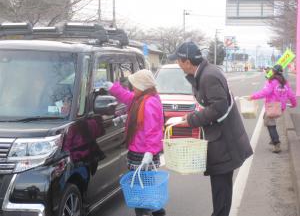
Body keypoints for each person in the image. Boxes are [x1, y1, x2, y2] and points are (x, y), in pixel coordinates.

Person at [168, 41, 253, 216]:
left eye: (178, 60)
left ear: (187, 62)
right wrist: (191, 117)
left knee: (221, 190)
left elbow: (218, 108)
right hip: (221, 140)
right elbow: (210, 105)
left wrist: (191, 120)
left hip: (224, 143)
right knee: (221, 189)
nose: (177, 64)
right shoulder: (205, 73)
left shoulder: (208, 76)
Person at [103, 70, 165, 216]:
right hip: (138, 152)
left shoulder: (149, 103)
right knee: (143, 188)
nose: (133, 88)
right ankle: (155, 212)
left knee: (141, 190)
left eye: (135, 85)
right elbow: (126, 96)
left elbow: (153, 130)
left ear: (143, 86)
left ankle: (154, 213)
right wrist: (113, 87)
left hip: (144, 154)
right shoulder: (140, 99)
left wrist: (150, 152)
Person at [250, 64, 297, 153]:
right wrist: (294, 104)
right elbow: (291, 95)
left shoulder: (272, 81)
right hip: (281, 107)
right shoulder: (285, 82)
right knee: (266, 117)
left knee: (270, 123)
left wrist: (253, 96)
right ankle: (273, 139)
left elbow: (265, 92)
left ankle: (276, 143)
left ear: (273, 71)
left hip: (273, 106)